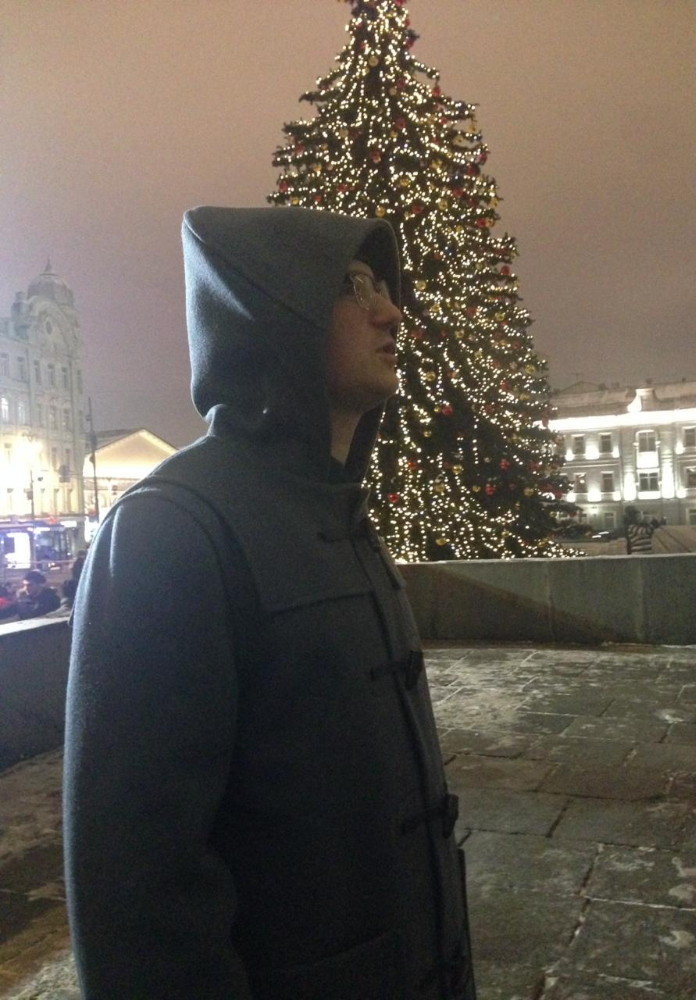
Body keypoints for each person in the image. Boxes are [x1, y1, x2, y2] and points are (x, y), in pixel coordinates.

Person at [63, 206, 475, 1000]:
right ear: (271, 312)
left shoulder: (340, 507)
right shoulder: (169, 528)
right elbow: (139, 895)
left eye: (385, 287)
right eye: (354, 286)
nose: (392, 312)